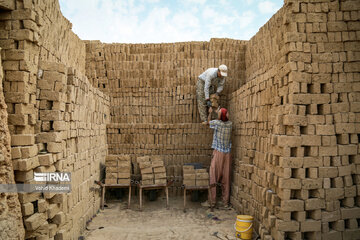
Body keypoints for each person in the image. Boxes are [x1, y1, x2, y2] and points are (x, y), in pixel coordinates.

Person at [202, 107, 232, 208]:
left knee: (213, 175)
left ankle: (212, 201)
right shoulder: (230, 124)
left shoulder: (217, 123)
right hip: (227, 154)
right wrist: (219, 112)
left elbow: (208, 123)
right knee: (226, 178)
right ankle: (225, 202)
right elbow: (223, 118)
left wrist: (210, 113)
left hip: (218, 153)